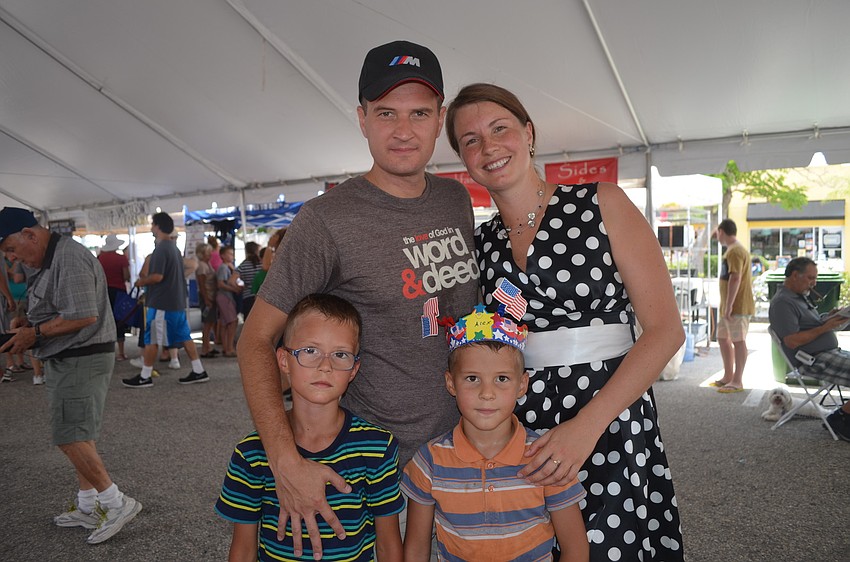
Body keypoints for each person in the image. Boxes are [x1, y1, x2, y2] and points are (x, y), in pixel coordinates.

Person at [237, 40, 478, 558]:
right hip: (369, 470)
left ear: (440, 120)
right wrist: (285, 462)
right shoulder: (326, 220)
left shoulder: (456, 200)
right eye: (386, 113)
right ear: (362, 119)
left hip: (461, 452)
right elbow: (254, 340)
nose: (403, 130)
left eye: (419, 113)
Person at [445, 83, 685, 561]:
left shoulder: (602, 203)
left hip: (610, 413)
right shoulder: (480, 242)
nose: (488, 147)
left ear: (529, 133)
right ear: (463, 159)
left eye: (500, 129)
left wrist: (587, 426)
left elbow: (665, 331)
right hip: (523, 423)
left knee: (611, 545)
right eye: (471, 140)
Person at [216, 293, 404, 561]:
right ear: (283, 360)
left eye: (340, 354)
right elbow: (243, 550)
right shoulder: (251, 454)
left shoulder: (378, 447)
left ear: (353, 369)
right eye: (310, 351)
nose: (325, 366)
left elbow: (388, 545)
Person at [0, 206, 142, 544]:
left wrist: (34, 333)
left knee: (69, 436)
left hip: (81, 356)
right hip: (71, 355)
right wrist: (29, 322)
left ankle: (116, 502)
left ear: (30, 235)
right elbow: (62, 308)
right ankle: (88, 505)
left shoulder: (69, 257)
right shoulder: (50, 257)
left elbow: (82, 315)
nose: (12, 259)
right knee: (80, 434)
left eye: (11, 250)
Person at [402, 306, 588, 561]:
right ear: (451, 383)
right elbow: (416, 550)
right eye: (472, 378)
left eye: (501, 379)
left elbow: (576, 549)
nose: (487, 393)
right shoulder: (429, 462)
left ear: (522, 384)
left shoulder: (546, 458)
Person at [768, 257, 850, 442]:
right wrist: (825, 327)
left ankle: (841, 416)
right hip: (813, 360)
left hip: (827, 354)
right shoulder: (783, 303)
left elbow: (809, 324)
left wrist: (830, 317)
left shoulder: (799, 296)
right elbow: (792, 341)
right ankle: (840, 419)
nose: (814, 283)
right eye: (810, 278)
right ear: (795, 275)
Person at [122, 212, 209, 387]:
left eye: (152, 225)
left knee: (152, 338)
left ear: (157, 226)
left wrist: (141, 282)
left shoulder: (161, 249)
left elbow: (157, 277)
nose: (151, 228)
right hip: (175, 301)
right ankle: (198, 369)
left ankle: (145, 375)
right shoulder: (174, 248)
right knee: (184, 336)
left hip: (161, 303)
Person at [710, 219, 755, 392]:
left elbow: (735, 278)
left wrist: (729, 305)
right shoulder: (733, 250)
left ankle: (737, 380)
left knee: (738, 341)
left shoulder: (735, 251)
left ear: (721, 231)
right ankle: (728, 376)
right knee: (723, 338)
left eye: (717, 233)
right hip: (729, 306)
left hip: (737, 306)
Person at [96, 234, 131, 361]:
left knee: (105, 320)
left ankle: (107, 352)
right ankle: (121, 352)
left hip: (103, 292)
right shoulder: (121, 258)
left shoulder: (100, 258)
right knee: (120, 320)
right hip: (119, 292)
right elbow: (126, 276)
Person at [194, 242, 219, 358]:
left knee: (211, 322)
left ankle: (208, 346)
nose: (210, 254)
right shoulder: (202, 266)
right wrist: (206, 299)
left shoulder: (206, 264)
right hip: (207, 297)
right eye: (208, 253)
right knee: (207, 323)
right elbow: (202, 284)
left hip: (211, 296)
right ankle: (205, 348)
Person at [215, 245, 240, 357]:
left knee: (225, 323)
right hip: (225, 297)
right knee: (232, 321)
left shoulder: (227, 267)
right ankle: (229, 348)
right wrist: (234, 289)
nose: (232, 256)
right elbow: (220, 284)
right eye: (229, 254)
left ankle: (226, 347)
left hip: (225, 296)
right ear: (222, 255)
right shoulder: (223, 268)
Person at [236, 241, 262, 318]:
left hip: (247, 297)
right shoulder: (262, 264)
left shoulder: (243, 265)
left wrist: (239, 288)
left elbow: (231, 281)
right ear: (257, 250)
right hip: (261, 296)